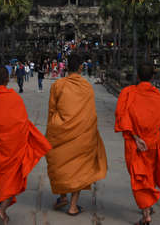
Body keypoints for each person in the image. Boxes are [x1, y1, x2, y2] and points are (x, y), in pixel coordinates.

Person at [0, 66, 52, 224]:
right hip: (14, 149)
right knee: (14, 179)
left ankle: (0, 210)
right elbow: (22, 124)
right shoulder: (15, 98)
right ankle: (1, 210)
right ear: (8, 79)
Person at [45, 54, 107, 216]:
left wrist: (52, 130)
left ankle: (62, 195)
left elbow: (52, 111)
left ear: (66, 66)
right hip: (82, 132)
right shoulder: (86, 86)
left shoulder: (58, 85)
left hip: (60, 131)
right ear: (81, 67)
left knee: (61, 163)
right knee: (78, 168)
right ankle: (72, 205)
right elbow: (91, 113)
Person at [115, 63, 160, 225]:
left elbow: (121, 116)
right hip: (151, 142)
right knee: (149, 174)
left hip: (135, 143)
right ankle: (148, 205)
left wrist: (135, 136)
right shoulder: (158, 96)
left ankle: (146, 215)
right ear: (152, 77)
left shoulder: (128, 92)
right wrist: (146, 136)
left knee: (140, 177)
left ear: (137, 76)